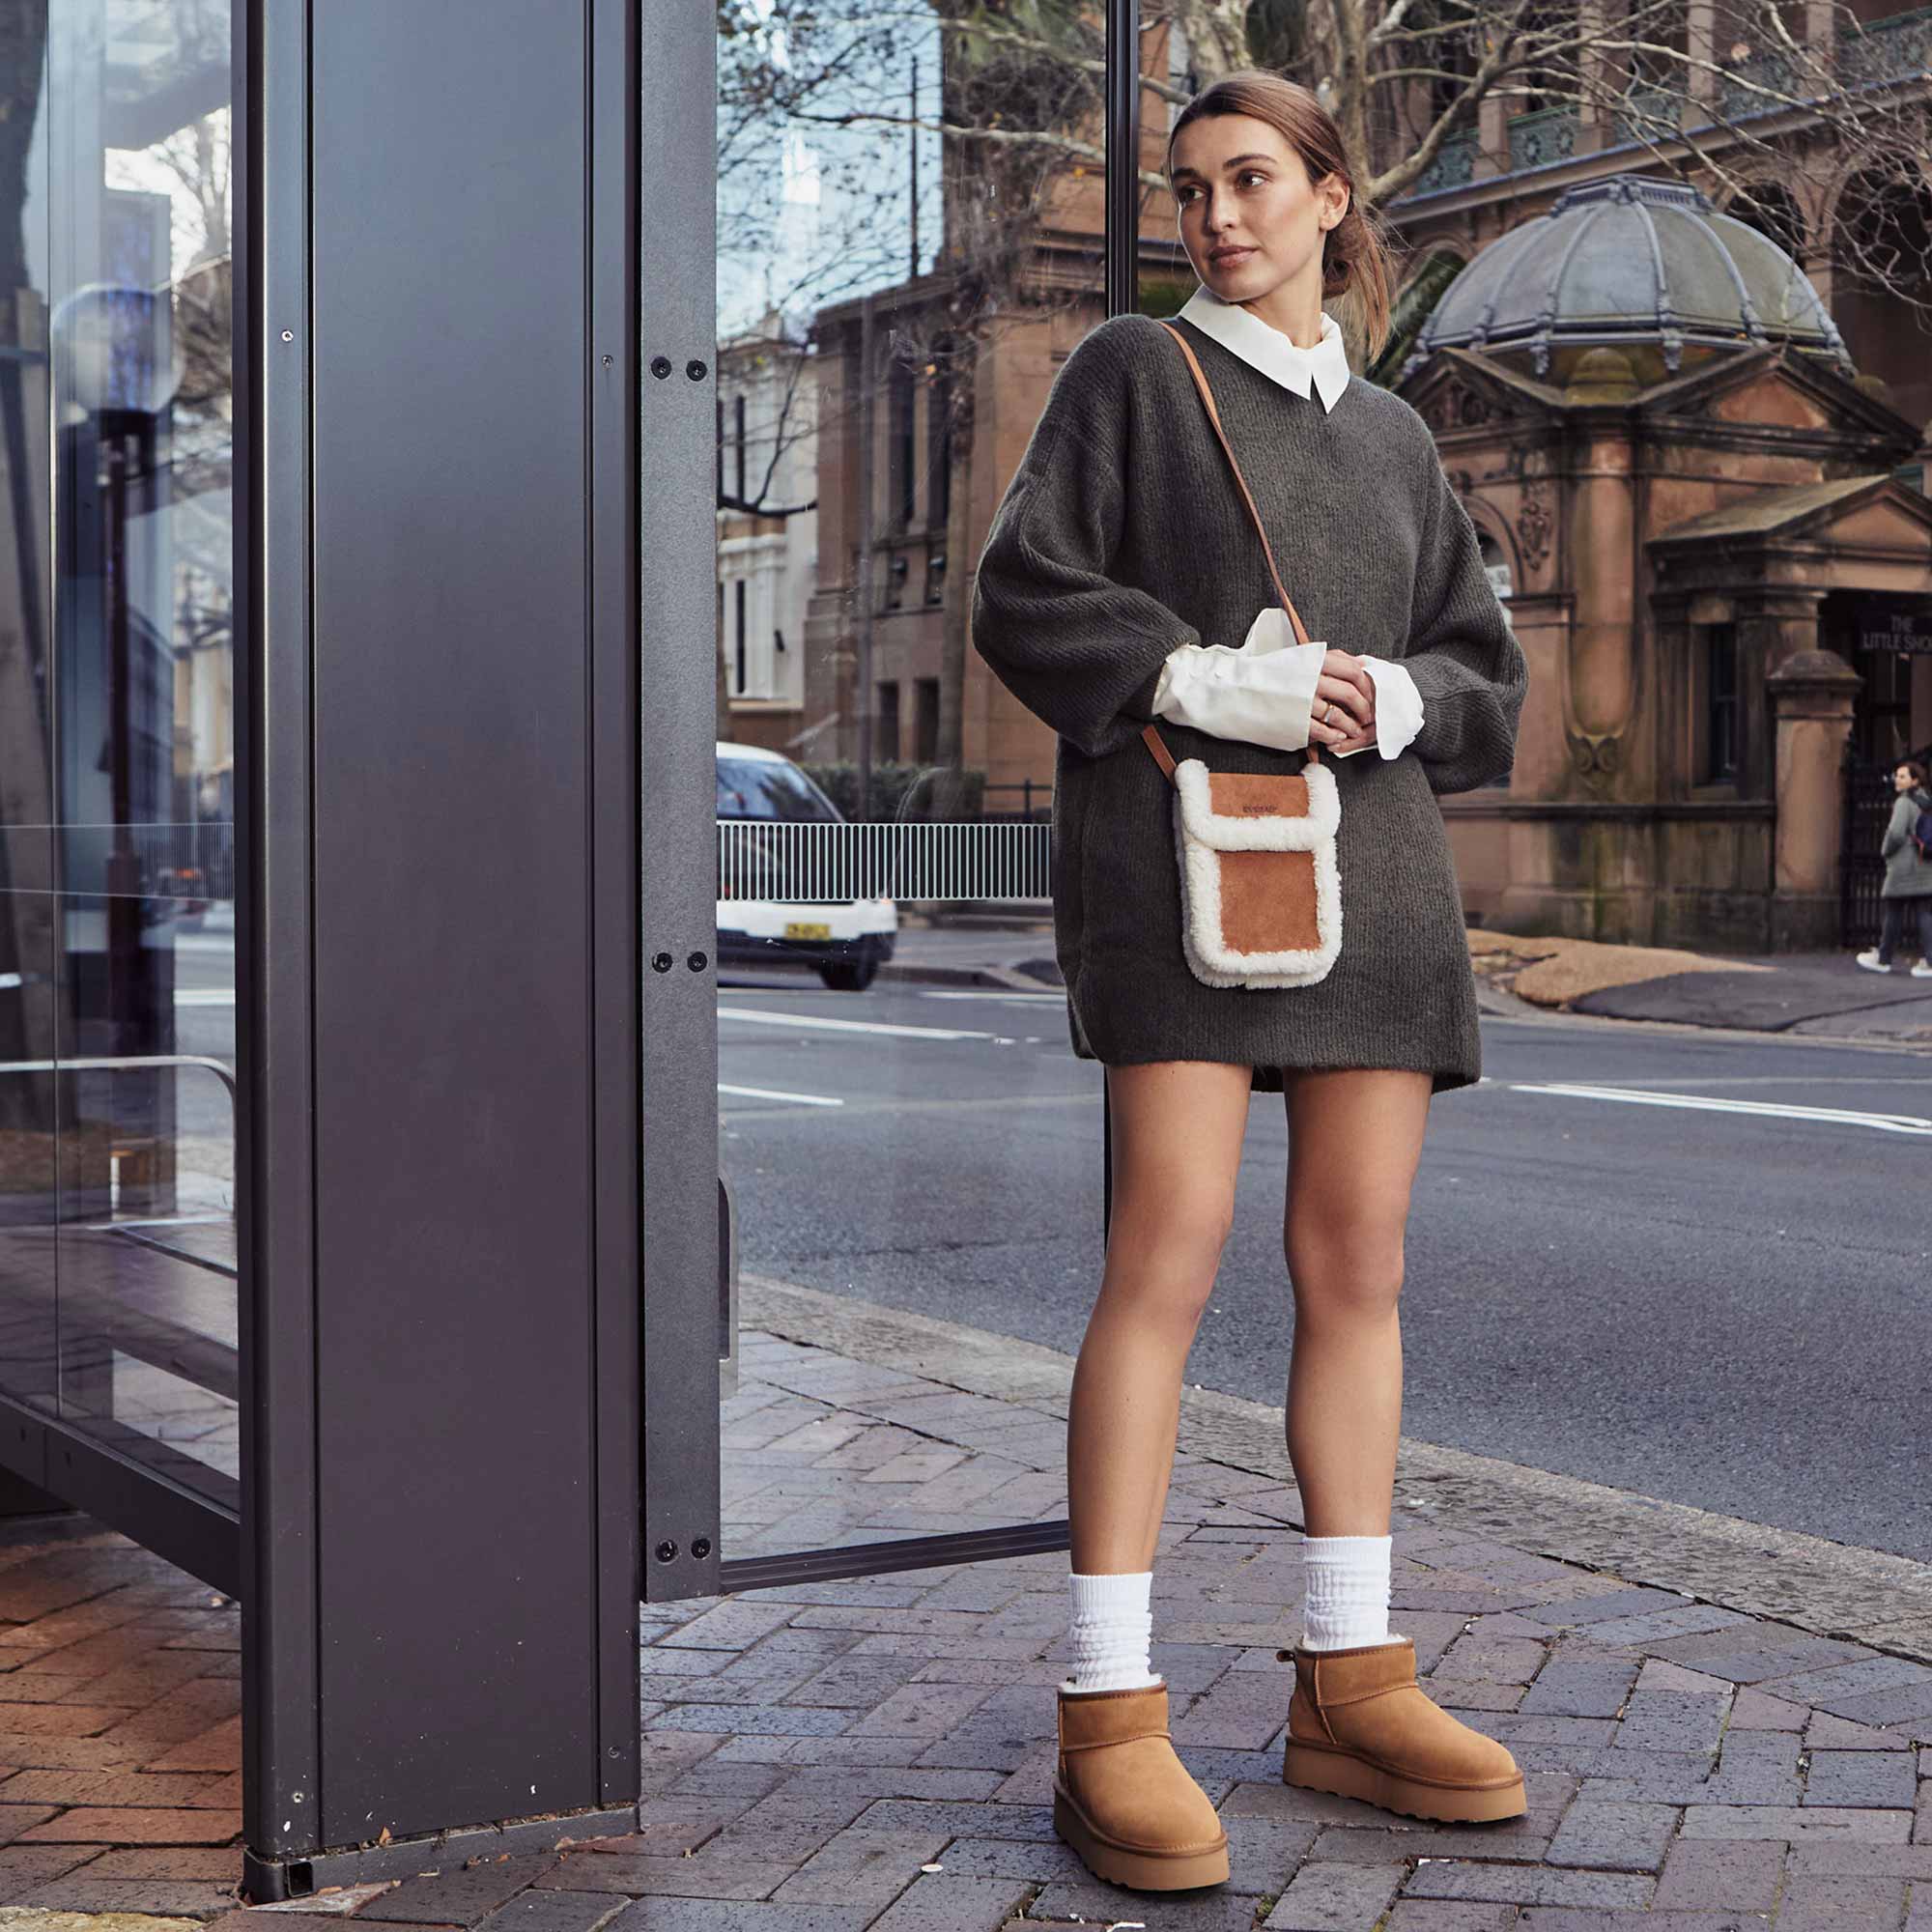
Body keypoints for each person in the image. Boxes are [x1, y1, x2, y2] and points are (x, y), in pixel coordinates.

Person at [969, 71, 1531, 1893]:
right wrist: (1227, 684)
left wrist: (1409, 698)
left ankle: (1348, 1682)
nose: (1218, 215)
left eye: (1255, 181)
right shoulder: (1139, 374)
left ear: (1333, 200)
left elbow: (1485, 670)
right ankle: (1108, 1713)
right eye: (1194, 187)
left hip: (1376, 888)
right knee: (1168, 1259)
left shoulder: (1393, 439)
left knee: (1356, 1268)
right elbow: (1026, 590)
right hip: (1190, 882)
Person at [1855, 757, 1932, 978]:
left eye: (1902, 776)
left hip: (1904, 866)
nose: (1897, 780)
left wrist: (1885, 850)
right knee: (1924, 913)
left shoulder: (1904, 803)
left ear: (1914, 780)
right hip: (1924, 864)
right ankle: (1930, 960)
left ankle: (1883, 958)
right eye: (1897, 776)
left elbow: (1896, 833)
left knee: (1894, 912)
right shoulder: (1925, 800)